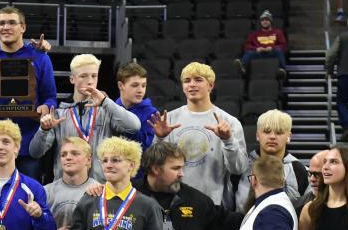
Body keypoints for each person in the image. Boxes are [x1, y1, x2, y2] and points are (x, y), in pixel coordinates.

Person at [0, 6, 59, 179]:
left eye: (12, 22)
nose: (6, 27)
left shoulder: (40, 57)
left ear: (23, 27)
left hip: (27, 147)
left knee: (28, 201)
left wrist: (46, 107)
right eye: (1, 23)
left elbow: (50, 97)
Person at [148, 61, 248, 210]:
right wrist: (160, 138)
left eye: (198, 80)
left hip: (213, 205)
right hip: (175, 203)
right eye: (187, 81)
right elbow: (154, 167)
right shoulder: (169, 119)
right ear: (182, 87)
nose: (192, 84)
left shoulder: (229, 123)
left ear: (211, 85)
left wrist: (228, 140)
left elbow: (238, 169)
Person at [30, 54, 140, 180]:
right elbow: (35, 152)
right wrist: (43, 130)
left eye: (94, 76)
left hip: (100, 188)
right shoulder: (59, 114)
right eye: (83, 76)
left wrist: (105, 102)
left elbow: (135, 126)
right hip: (67, 188)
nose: (90, 81)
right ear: (72, 79)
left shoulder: (107, 111)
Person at [233, 109, 308, 210]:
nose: (272, 137)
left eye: (279, 132)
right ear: (257, 135)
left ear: (289, 136)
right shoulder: (242, 165)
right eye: (266, 132)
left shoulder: (299, 170)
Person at [113, 62, 158, 151]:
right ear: (120, 85)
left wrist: (127, 123)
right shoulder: (111, 108)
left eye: (143, 85)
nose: (140, 90)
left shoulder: (151, 113)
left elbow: (145, 146)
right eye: (135, 85)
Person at [239, 11, 289, 79]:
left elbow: (283, 45)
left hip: (271, 53)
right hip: (259, 53)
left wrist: (272, 48)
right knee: (249, 52)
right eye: (263, 20)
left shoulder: (278, 32)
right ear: (260, 22)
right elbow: (247, 45)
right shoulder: (254, 34)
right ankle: (242, 68)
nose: (265, 22)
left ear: (270, 21)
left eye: (267, 20)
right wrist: (256, 49)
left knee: (278, 50)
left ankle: (282, 70)